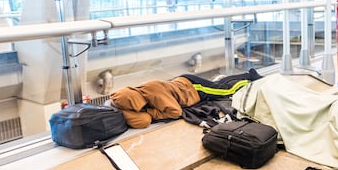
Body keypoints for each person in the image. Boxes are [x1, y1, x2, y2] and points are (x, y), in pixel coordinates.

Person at [105, 69, 262, 129]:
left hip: (192, 87)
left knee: (224, 89)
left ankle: (249, 76)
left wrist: (153, 113)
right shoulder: (135, 100)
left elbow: (175, 111)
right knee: (221, 87)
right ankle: (241, 78)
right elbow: (144, 120)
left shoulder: (152, 91)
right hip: (186, 91)